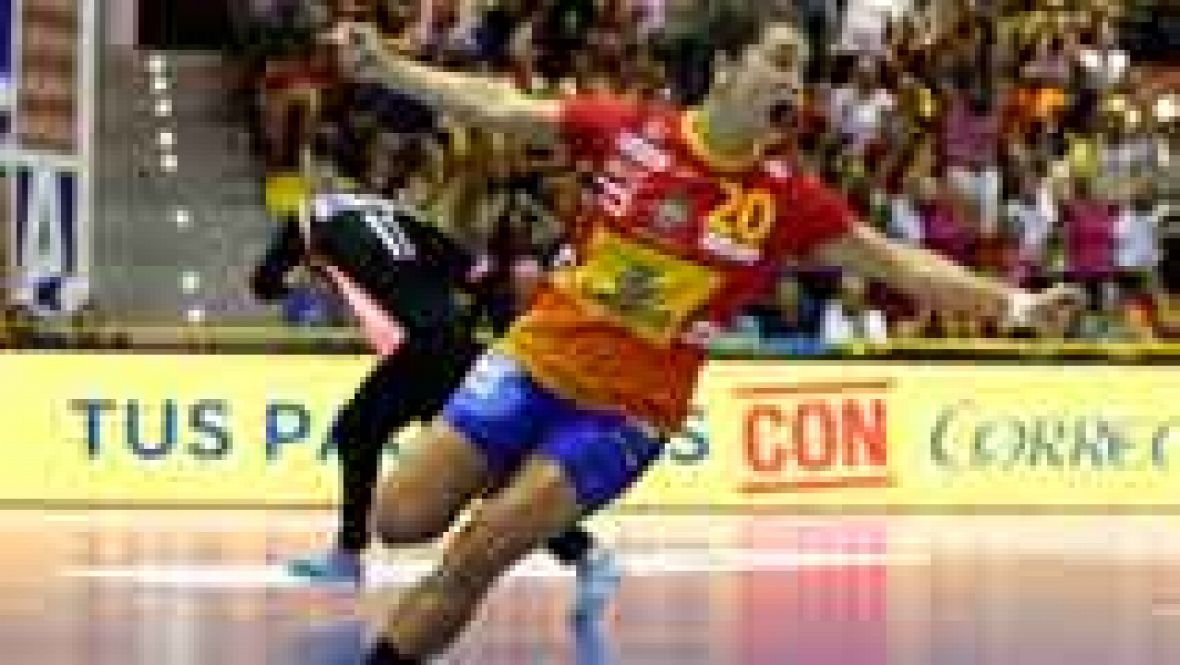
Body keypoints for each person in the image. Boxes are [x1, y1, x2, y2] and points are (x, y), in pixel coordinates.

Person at [335, 21, 1081, 664]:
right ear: (727, 68)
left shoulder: (786, 201)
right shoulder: (629, 131)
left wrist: (1016, 304)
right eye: (780, 61)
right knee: (398, 519)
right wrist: (390, 68)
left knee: (478, 551)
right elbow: (501, 106)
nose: (794, 82)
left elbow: (899, 263)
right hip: (532, 362)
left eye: (802, 71)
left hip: (626, 413)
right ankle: (522, 481)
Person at [249, 189, 620, 620]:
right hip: (451, 342)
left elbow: (263, 285)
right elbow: (475, 273)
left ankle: (348, 558)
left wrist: (299, 279)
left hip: (421, 350)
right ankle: (585, 553)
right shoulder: (393, 212)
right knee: (473, 469)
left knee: (361, 433)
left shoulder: (305, 219)